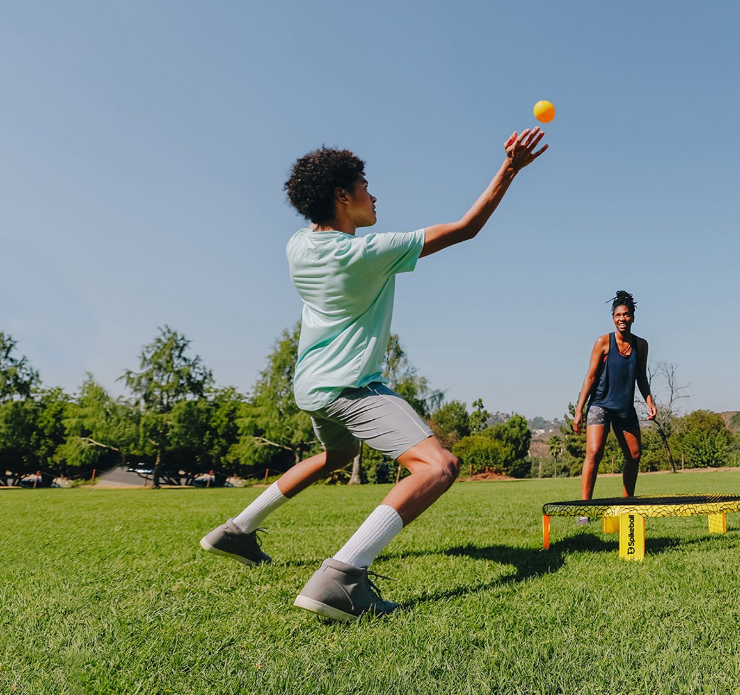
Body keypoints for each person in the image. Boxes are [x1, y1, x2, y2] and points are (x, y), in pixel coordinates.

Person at [199, 129, 548, 619]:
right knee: (438, 466)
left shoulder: (298, 245)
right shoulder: (367, 252)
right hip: (350, 386)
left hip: (312, 386)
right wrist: (509, 168)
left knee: (337, 455)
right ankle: (342, 575)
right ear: (343, 196)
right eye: (365, 185)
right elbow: (467, 227)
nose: (374, 194)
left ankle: (236, 530)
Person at [572, 291, 658, 508]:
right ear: (613, 318)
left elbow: (641, 377)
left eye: (626, 315)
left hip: (624, 408)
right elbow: (590, 377)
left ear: (633, 317)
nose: (622, 319)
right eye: (618, 315)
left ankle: (627, 503)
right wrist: (579, 410)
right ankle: (584, 509)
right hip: (600, 405)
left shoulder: (641, 345)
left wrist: (649, 400)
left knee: (635, 455)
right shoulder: (603, 342)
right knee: (594, 452)